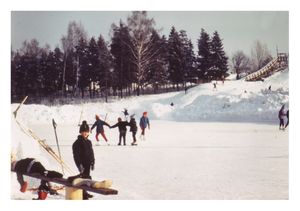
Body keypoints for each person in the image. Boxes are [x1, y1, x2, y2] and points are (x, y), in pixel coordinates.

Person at [72, 120, 95, 199]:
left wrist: (92, 162)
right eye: (83, 131)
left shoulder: (89, 142)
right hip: (82, 164)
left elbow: (91, 153)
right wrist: (79, 165)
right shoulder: (77, 143)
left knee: (86, 178)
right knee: (83, 179)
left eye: (86, 131)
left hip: (88, 163)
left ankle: (84, 192)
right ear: (80, 132)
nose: (85, 133)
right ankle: (82, 193)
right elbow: (76, 155)